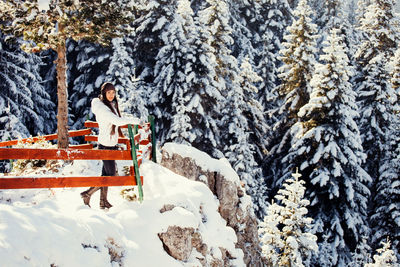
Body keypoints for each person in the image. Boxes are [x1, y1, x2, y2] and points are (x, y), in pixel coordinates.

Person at [80, 82, 141, 209]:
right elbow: (117, 121)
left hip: (110, 145)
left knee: (105, 175)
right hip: (105, 146)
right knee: (111, 175)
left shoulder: (110, 105)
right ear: (104, 93)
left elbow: (116, 122)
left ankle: (103, 201)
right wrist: (134, 121)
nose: (111, 95)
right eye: (109, 92)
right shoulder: (103, 109)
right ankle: (87, 193)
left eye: (113, 92)